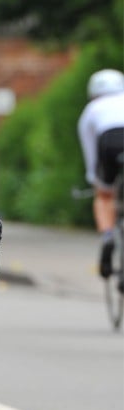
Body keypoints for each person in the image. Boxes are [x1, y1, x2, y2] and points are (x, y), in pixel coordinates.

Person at [77, 69, 124, 278]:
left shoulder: (92, 109)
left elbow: (91, 151)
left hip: (109, 142)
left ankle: (107, 237)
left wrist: (95, 179)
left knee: (104, 196)